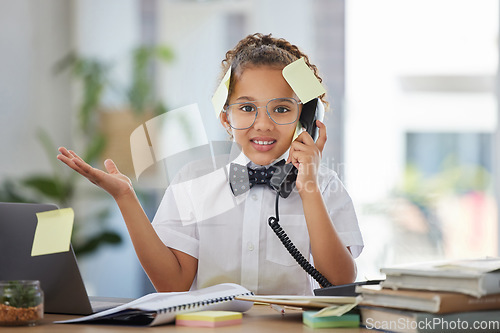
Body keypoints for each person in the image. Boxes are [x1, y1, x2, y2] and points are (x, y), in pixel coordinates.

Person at [57, 33, 363, 295]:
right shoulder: (194, 180)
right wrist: (125, 197)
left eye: (281, 109)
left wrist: (309, 190)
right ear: (226, 118)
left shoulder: (324, 185)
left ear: (307, 120)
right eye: (246, 108)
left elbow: (340, 282)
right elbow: (172, 284)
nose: (263, 124)